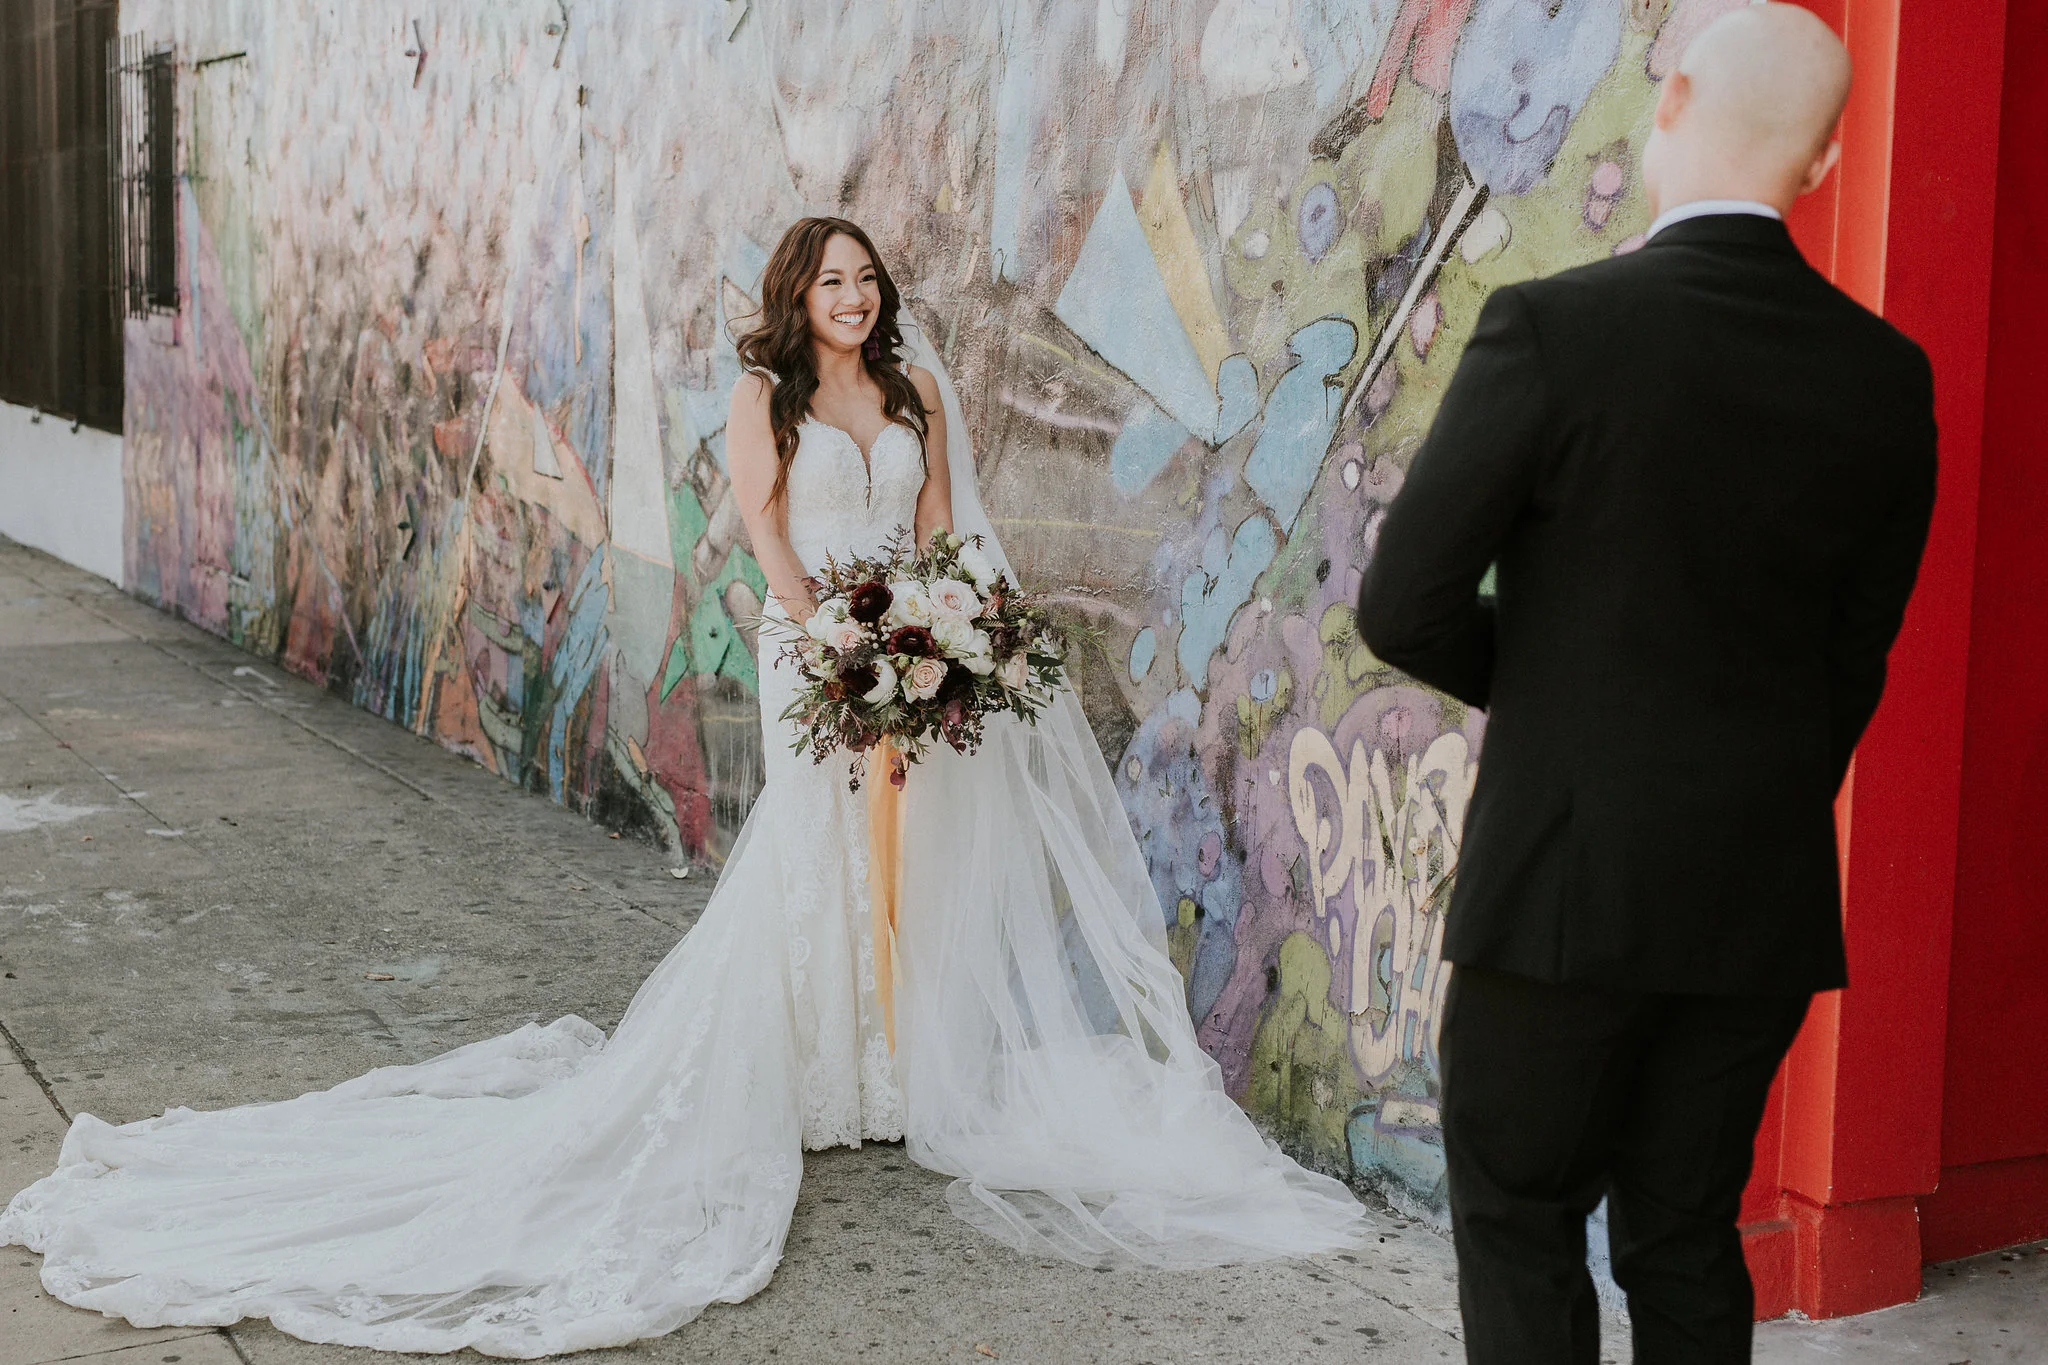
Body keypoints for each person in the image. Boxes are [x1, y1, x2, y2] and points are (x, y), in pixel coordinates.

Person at [0, 216, 1365, 1358]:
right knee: (820, 851)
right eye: (830, 282)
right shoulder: (764, 395)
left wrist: (942, 627)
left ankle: (912, 1068)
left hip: (914, 634)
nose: (853, 298)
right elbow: (769, 530)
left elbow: (941, 523)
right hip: (813, 643)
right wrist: (839, 644)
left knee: (926, 846)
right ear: (797, 297)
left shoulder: (914, 393)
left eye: (866, 280)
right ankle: (824, 1069)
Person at [1354, 7, 1936, 1363]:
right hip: (1759, 893)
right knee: (1684, 1234)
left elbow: (1402, 605)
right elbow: (1853, 661)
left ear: (1667, 101)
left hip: (1563, 889)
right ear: (1826, 162)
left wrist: (1562, 701)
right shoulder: (1885, 376)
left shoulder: (1555, 328)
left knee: (1520, 1219)